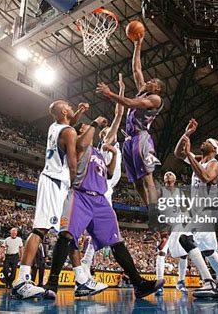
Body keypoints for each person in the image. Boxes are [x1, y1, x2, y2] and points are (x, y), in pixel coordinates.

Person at [42, 118, 165, 300]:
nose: (86, 129)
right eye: (83, 128)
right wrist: (94, 123)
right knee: (66, 235)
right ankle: (52, 283)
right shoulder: (78, 145)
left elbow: (108, 173)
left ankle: (138, 283)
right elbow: (83, 142)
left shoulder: (98, 153)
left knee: (117, 242)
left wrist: (115, 155)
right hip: (80, 195)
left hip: (100, 201)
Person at [12, 101, 84, 299]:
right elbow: (72, 163)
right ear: (63, 111)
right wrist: (74, 185)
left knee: (66, 232)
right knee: (40, 229)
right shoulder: (68, 132)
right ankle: (22, 280)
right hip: (56, 182)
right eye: (69, 106)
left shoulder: (55, 126)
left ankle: (82, 278)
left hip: (53, 181)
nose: (70, 107)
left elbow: (70, 122)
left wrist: (78, 112)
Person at [96, 36, 164, 231]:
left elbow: (131, 104)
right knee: (136, 184)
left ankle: (155, 216)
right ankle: (151, 212)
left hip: (142, 138)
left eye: (153, 81)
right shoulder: (143, 90)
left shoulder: (155, 99)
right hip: (129, 140)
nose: (148, 81)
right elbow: (137, 69)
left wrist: (110, 94)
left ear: (157, 88)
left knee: (147, 179)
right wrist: (138, 45)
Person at [174, 119, 218, 298]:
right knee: (208, 250)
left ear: (214, 149)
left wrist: (190, 155)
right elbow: (177, 153)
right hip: (200, 210)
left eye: (207, 141)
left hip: (207, 209)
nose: (203, 141)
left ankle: (208, 281)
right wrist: (186, 134)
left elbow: (206, 178)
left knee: (185, 239)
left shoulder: (214, 164)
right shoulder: (199, 161)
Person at [81, 73, 125, 278]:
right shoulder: (108, 140)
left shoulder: (106, 145)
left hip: (108, 189)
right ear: (105, 135)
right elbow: (118, 115)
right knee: (111, 231)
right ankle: (85, 263)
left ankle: (85, 263)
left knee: (100, 231)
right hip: (103, 190)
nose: (113, 131)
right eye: (109, 131)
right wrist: (121, 92)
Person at [154, 171, 189, 296]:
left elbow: (185, 209)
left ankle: (181, 282)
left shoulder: (180, 193)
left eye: (170, 174)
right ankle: (159, 283)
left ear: (175, 178)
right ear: (164, 179)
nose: (168, 175)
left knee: (184, 254)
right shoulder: (159, 191)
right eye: (166, 174)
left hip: (178, 225)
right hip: (165, 225)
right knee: (161, 252)